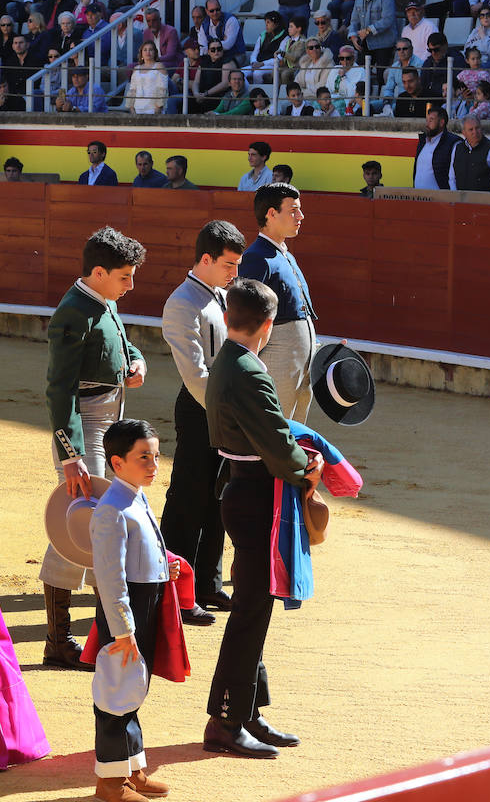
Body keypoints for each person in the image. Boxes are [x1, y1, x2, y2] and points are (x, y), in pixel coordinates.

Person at [201, 278, 323, 759]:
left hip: (241, 487)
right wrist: (307, 468)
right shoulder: (249, 370)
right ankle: (225, 721)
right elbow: (276, 443)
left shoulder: (227, 361)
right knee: (252, 606)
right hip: (257, 495)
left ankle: (248, 710)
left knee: (258, 602)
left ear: (228, 316)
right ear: (269, 325)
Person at [40, 227, 147, 670]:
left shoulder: (101, 301)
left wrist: (134, 360)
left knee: (98, 523)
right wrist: (71, 454)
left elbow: (117, 344)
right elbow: (59, 388)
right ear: (98, 273)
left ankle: (87, 634)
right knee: (83, 525)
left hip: (109, 416)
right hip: (86, 424)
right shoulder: (72, 313)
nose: (131, 285)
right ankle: (60, 640)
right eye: (124, 277)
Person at [160, 220, 245, 629]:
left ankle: (208, 582)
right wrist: (225, 411)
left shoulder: (219, 294)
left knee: (218, 497)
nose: (234, 272)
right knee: (188, 499)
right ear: (206, 259)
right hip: (200, 409)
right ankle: (176, 592)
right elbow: (195, 374)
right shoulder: (182, 302)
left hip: (222, 406)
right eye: (228, 264)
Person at [89, 418, 179, 802]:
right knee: (116, 690)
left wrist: (166, 566)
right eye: (144, 457)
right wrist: (123, 627)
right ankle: (109, 784)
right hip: (125, 611)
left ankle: (132, 770)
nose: (153, 464)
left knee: (134, 688)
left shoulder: (135, 495)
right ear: (117, 462)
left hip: (145, 602)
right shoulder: (111, 509)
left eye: (156, 456)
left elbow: (144, 550)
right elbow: (110, 577)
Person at [237, 183, 317, 423]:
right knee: (274, 425)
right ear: (271, 214)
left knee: (295, 428)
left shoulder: (284, 254)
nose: (300, 216)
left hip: (300, 359)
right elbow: (246, 315)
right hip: (277, 359)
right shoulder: (256, 257)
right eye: (293, 210)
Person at [448, 114, 490, 192]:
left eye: (477, 128)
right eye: (471, 129)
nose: (475, 132)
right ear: (464, 133)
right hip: (460, 201)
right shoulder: (457, 148)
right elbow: (452, 177)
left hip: (483, 201)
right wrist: (455, 197)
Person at [414, 106, 459, 189]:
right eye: (427, 120)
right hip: (419, 198)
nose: (427, 124)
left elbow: (454, 176)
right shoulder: (423, 141)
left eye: (431, 120)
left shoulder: (453, 143)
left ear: (441, 122)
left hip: (440, 199)